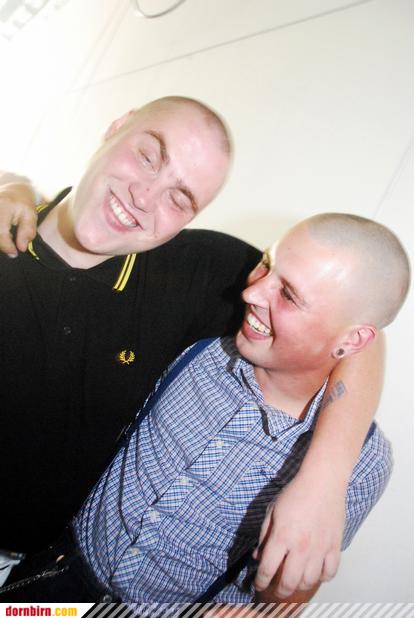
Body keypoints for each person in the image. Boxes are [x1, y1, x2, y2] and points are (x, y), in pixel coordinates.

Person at [0, 98, 384, 598]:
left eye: (180, 198)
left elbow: (352, 325)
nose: (144, 197)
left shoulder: (196, 271)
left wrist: (324, 484)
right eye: (148, 156)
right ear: (117, 126)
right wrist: (11, 182)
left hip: (37, 581)